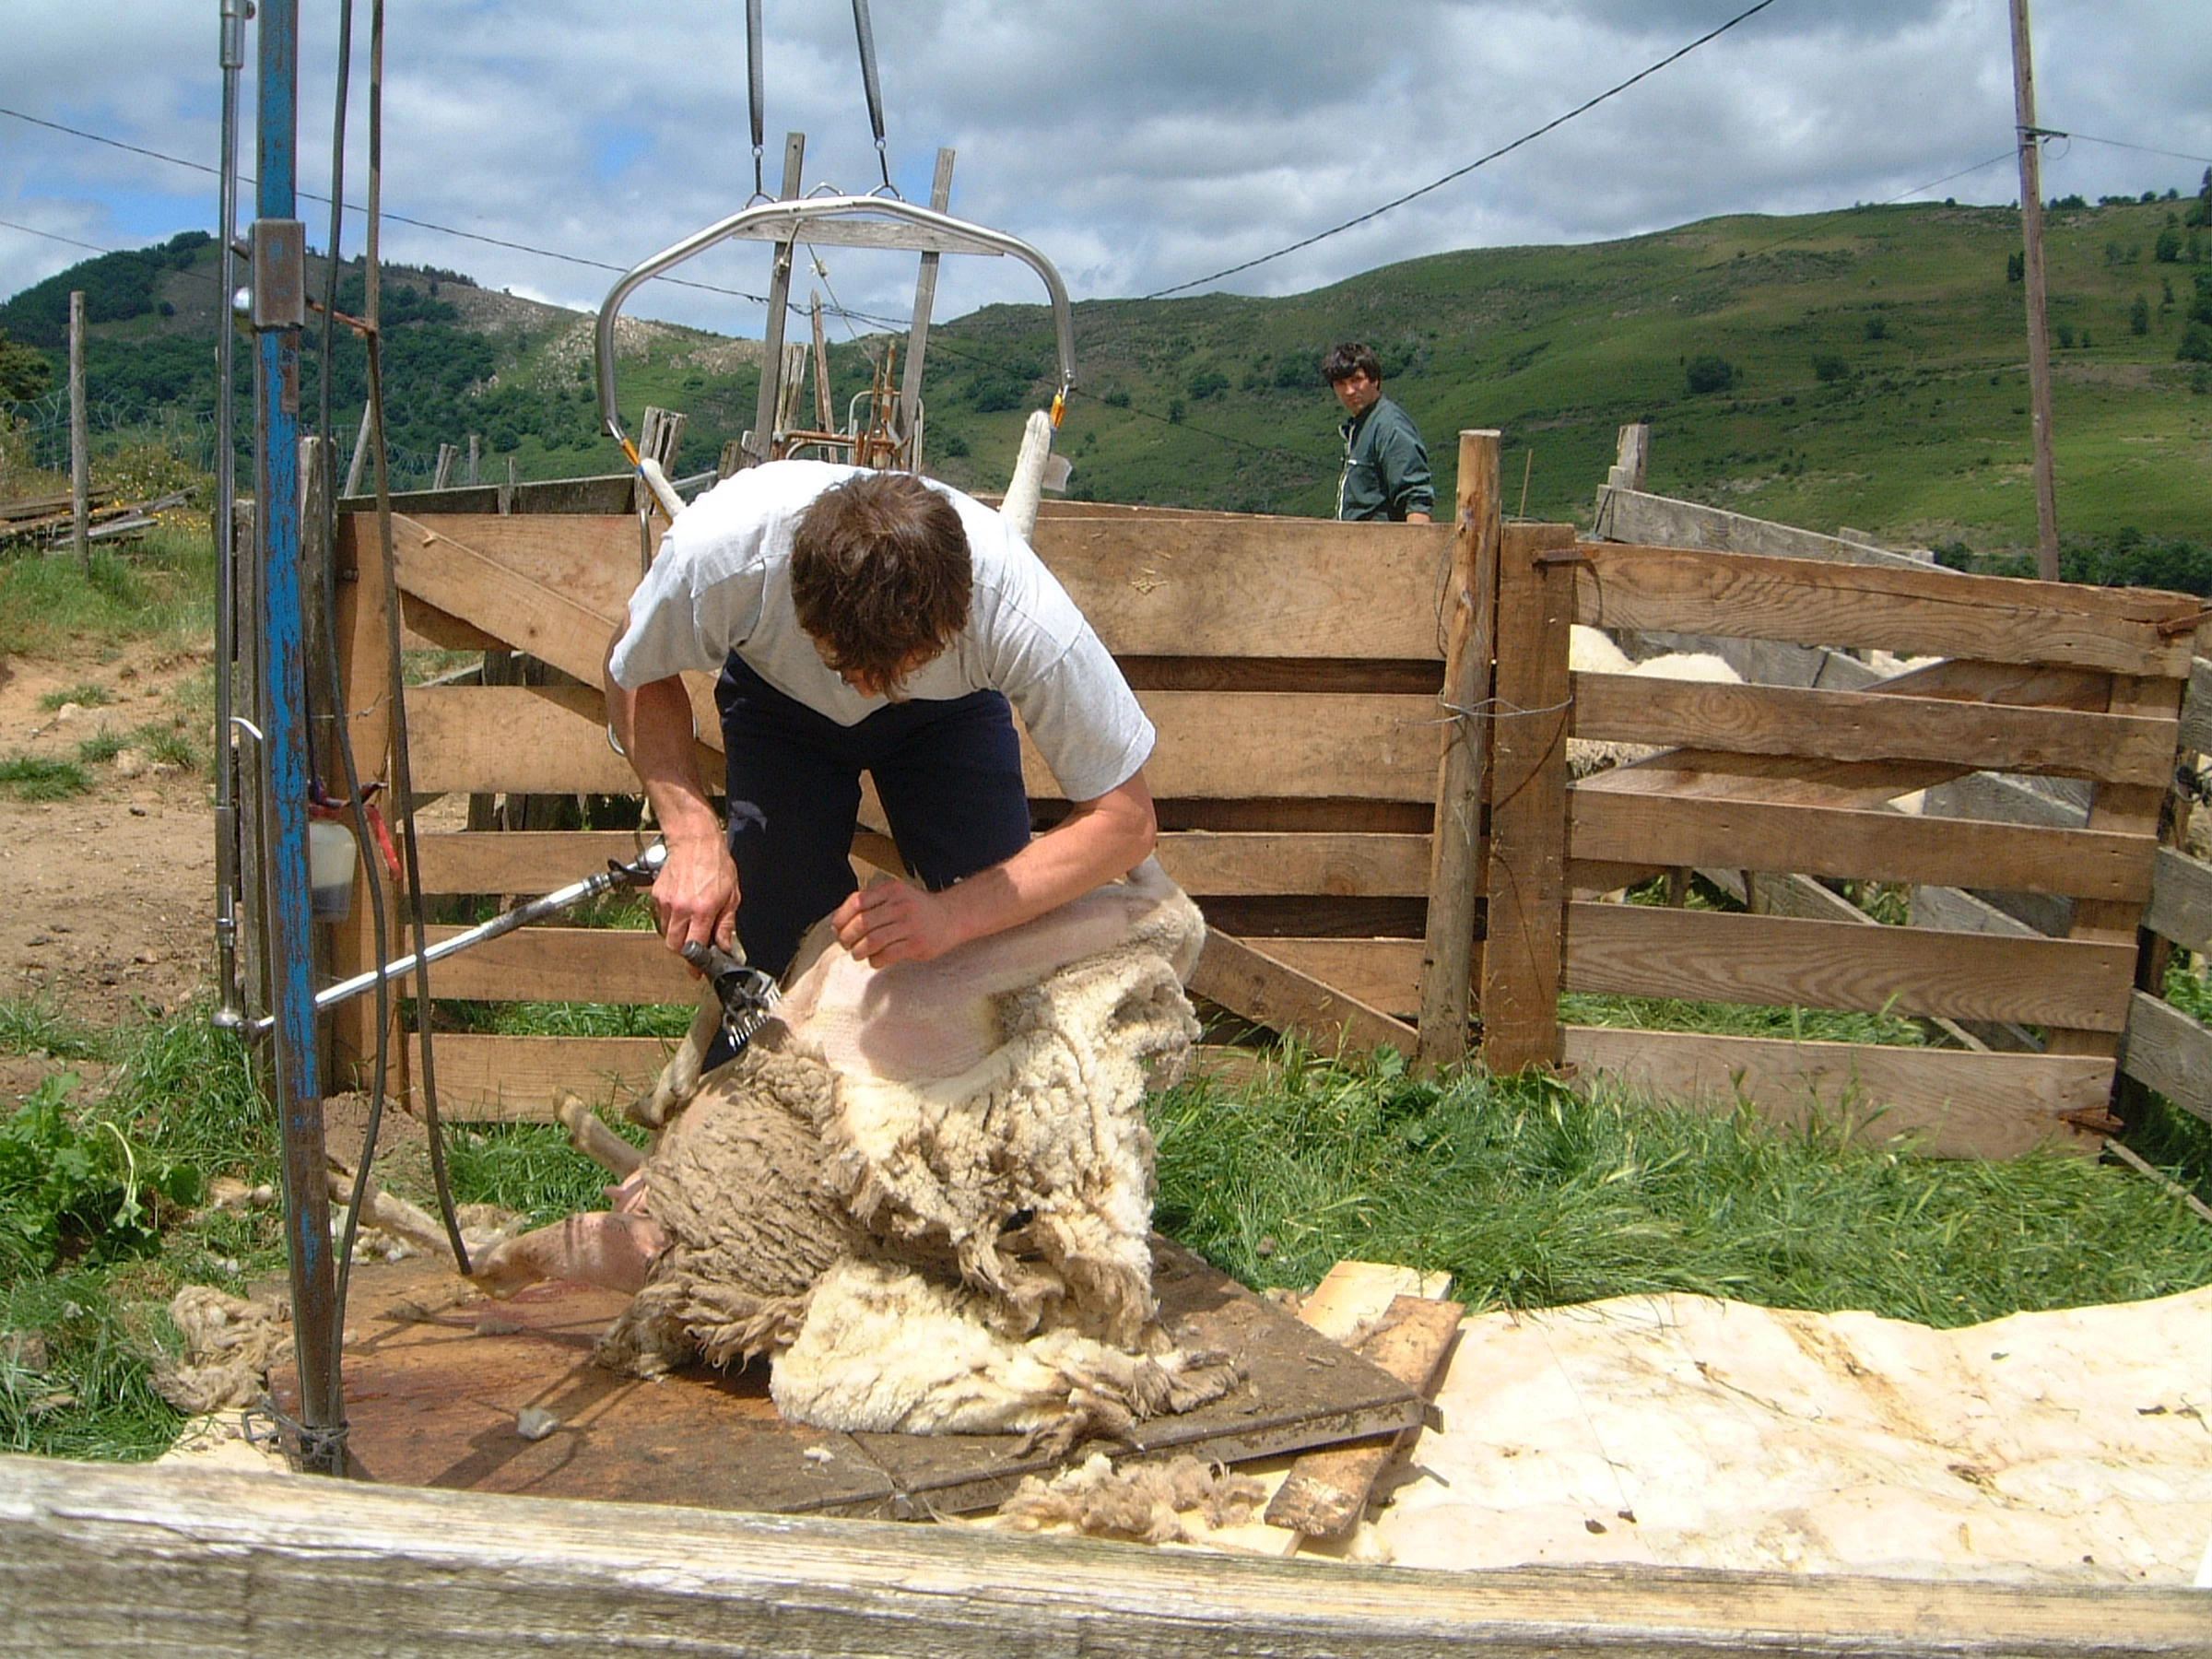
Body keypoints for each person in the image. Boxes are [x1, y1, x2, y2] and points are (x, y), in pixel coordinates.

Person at [604, 461, 1158, 986]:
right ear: (799, 602)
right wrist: (691, 833)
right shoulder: (723, 556)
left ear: (954, 620)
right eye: (845, 664)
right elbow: (632, 668)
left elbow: (1126, 820)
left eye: (897, 670)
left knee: (995, 946)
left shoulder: (1016, 609)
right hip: (782, 708)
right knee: (772, 936)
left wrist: (953, 916)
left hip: (948, 715)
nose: (867, 689)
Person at [1322, 342, 1433, 524]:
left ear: (1374, 380)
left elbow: (1416, 499)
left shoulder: (1390, 426)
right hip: (1353, 542)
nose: (1349, 391)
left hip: (1381, 544)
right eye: (1341, 383)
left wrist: (1416, 549)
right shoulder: (1361, 426)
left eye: (1357, 380)